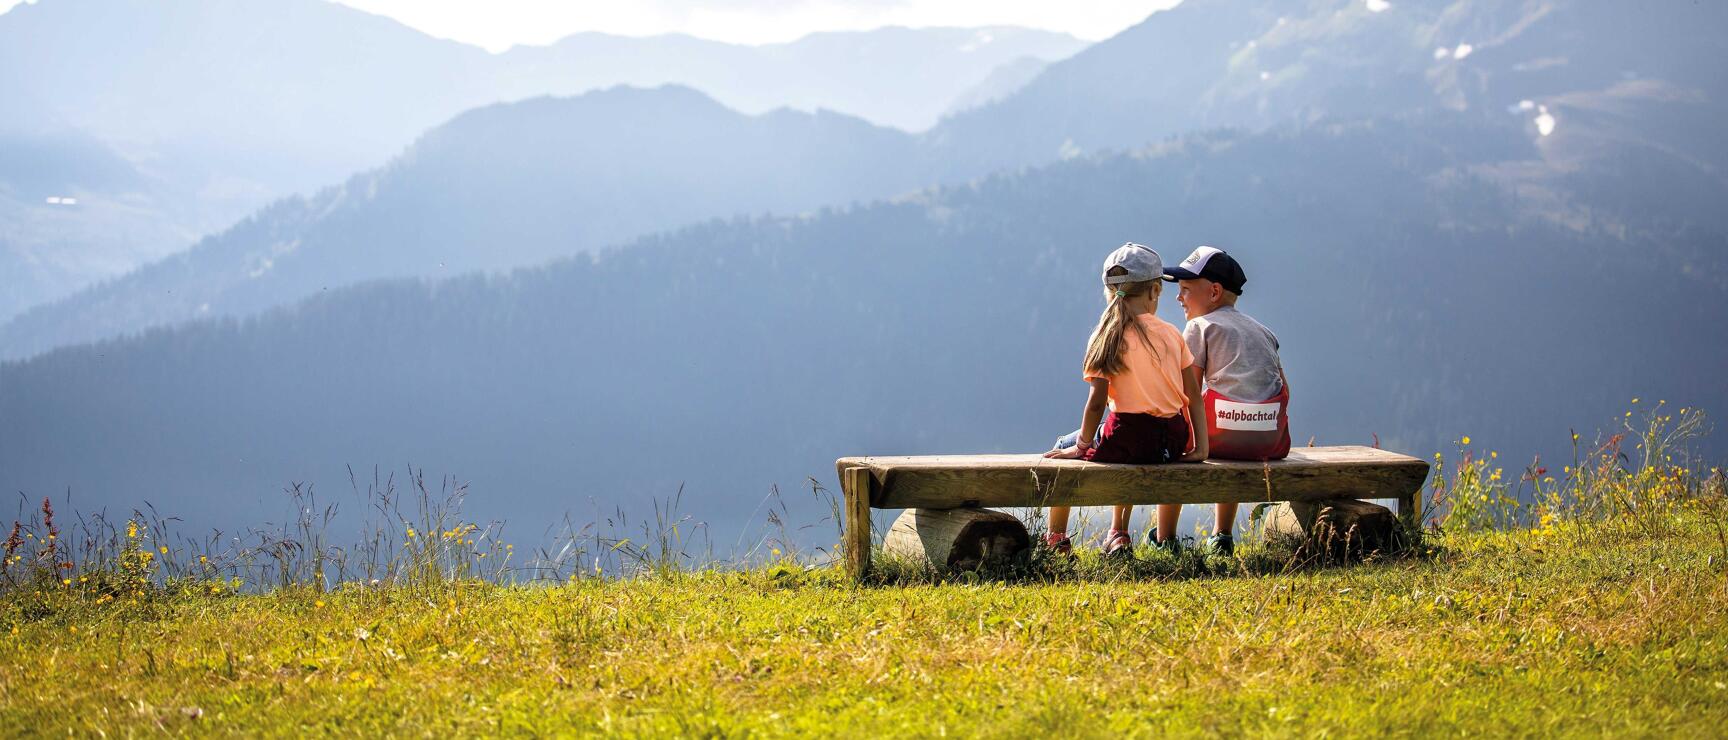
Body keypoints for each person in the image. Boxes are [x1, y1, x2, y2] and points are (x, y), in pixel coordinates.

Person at [1043, 243, 1207, 556]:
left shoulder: (1106, 336)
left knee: (1063, 445)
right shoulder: (1173, 333)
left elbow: (1096, 403)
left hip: (1125, 439)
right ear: (1155, 291)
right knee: (1132, 437)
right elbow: (1193, 397)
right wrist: (1201, 447)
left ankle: (1055, 540)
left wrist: (1081, 447)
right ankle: (1118, 530)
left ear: (1109, 293)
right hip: (1170, 441)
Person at [1163, 246, 1291, 555]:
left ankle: (1164, 538)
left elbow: (1187, 391)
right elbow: (1285, 386)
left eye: (1185, 290)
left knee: (1174, 437)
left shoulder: (1199, 327)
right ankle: (1222, 535)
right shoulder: (1265, 331)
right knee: (1232, 417)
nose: (1179, 298)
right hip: (1267, 439)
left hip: (1219, 437)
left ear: (1214, 292)